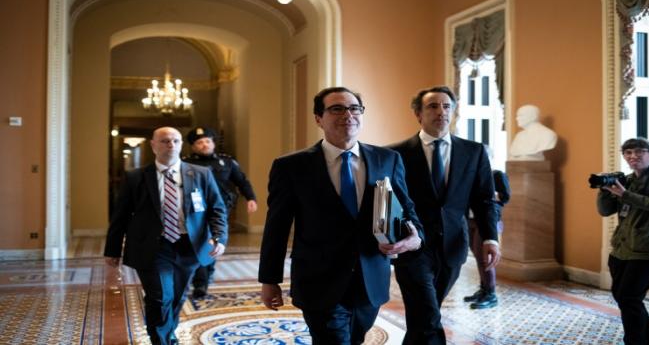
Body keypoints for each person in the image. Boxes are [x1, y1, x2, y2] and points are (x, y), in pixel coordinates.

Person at [258, 86, 424, 344]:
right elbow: (276, 227)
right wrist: (270, 279)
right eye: (336, 108)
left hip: (370, 279)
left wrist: (415, 238)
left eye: (354, 108)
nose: (347, 114)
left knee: (355, 339)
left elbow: (406, 209)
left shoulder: (387, 159)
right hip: (318, 280)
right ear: (318, 119)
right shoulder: (291, 166)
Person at [389, 86, 501, 344]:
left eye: (446, 106)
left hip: (453, 245)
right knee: (427, 313)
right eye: (433, 106)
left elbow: (484, 200)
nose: (441, 111)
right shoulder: (396, 153)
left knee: (425, 313)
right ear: (418, 114)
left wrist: (490, 238)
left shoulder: (474, 151)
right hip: (412, 246)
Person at [104, 126, 228, 345]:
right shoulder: (136, 177)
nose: (171, 145)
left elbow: (216, 209)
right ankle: (161, 340)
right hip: (153, 247)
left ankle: (168, 333)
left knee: (178, 296)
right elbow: (120, 216)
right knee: (160, 297)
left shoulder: (200, 174)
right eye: (164, 141)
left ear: (181, 144)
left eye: (176, 140)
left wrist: (219, 237)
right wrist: (113, 249)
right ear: (153, 145)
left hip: (188, 246)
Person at [596, 137, 649, 345]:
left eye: (640, 151)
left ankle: (635, 342)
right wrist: (604, 190)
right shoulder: (627, 179)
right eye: (628, 153)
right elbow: (605, 211)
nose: (633, 156)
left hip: (647, 250)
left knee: (629, 298)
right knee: (624, 297)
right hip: (622, 249)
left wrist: (626, 195)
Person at [184, 126, 258, 298]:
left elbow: (242, 181)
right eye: (200, 142)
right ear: (193, 146)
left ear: (213, 143)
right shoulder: (186, 163)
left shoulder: (227, 162)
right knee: (201, 242)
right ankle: (200, 282)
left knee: (214, 241)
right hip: (197, 211)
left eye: (207, 141)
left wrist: (251, 199)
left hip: (221, 209)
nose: (204, 145)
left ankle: (207, 271)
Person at [463, 166, 510, 309]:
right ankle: (483, 289)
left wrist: (492, 197)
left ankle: (491, 294)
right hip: (470, 219)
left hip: (486, 221)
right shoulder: (469, 174)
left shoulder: (497, 175)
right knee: (478, 256)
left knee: (485, 257)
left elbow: (505, 196)